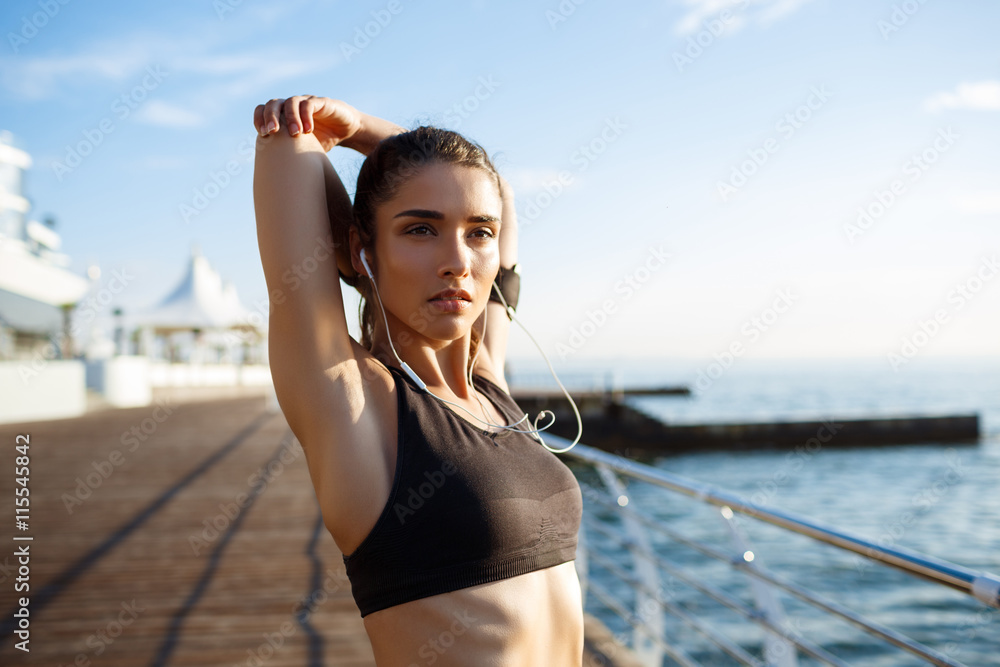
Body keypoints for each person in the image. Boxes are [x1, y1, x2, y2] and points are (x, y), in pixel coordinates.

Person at [252, 95, 584, 665]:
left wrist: (365, 130)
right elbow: (289, 143)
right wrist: (344, 132)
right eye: (421, 229)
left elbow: (498, 195)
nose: (458, 260)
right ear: (362, 248)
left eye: (478, 233)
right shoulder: (354, 402)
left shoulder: (489, 386)